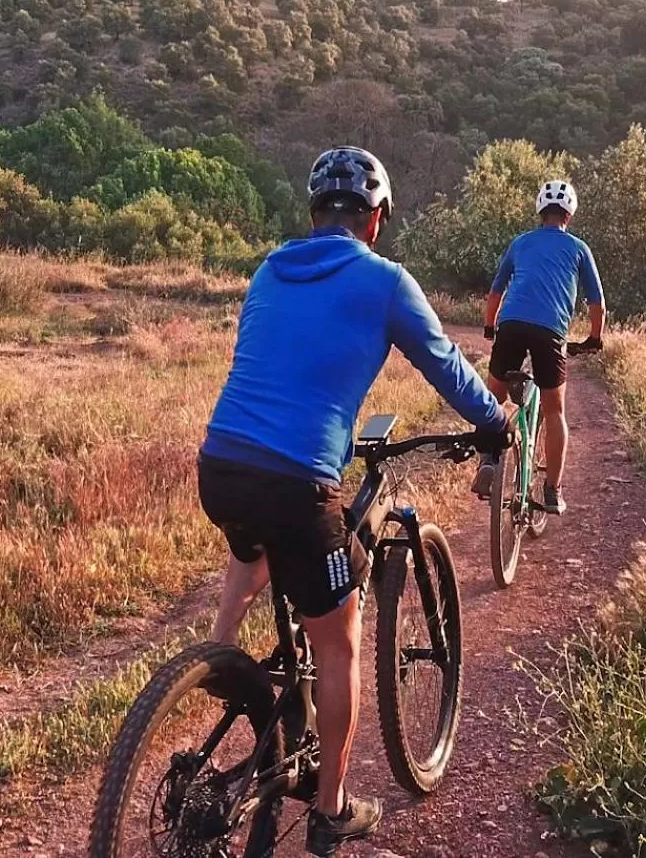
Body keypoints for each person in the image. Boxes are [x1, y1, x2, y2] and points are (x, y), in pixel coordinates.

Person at [197, 146, 512, 857]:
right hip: (295, 483)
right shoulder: (386, 281)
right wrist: (494, 422)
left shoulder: (271, 268)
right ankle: (333, 807)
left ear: (315, 215)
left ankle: (220, 660)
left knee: (256, 550)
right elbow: (451, 371)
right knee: (339, 640)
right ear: (376, 220)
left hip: (220, 465)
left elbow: (274, 369)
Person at [473, 179, 605, 516]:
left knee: (495, 397)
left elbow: (495, 292)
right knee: (554, 411)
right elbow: (597, 304)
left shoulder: (520, 243)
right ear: (569, 216)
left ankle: (487, 458)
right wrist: (594, 338)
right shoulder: (579, 248)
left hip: (512, 326)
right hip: (550, 334)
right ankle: (551, 490)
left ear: (539, 212)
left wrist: (490, 327)